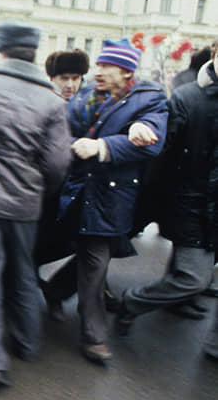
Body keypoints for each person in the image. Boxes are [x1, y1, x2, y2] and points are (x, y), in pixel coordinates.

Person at [0, 21, 72, 387]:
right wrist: (39, 188)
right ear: (34, 53)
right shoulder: (53, 100)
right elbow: (58, 162)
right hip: (26, 203)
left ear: (0, 50)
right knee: (24, 272)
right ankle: (28, 344)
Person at [57, 38, 168, 364]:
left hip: (109, 197)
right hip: (75, 191)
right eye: (100, 65)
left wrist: (106, 146)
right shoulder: (83, 100)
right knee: (63, 249)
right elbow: (61, 135)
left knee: (95, 263)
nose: (99, 71)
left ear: (127, 71)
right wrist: (78, 143)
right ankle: (52, 291)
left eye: (108, 66)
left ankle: (93, 336)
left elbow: (151, 139)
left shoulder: (148, 100)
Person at [116, 42, 218, 362]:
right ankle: (133, 302)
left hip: (206, 204)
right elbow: (163, 155)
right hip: (193, 202)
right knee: (193, 277)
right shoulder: (189, 98)